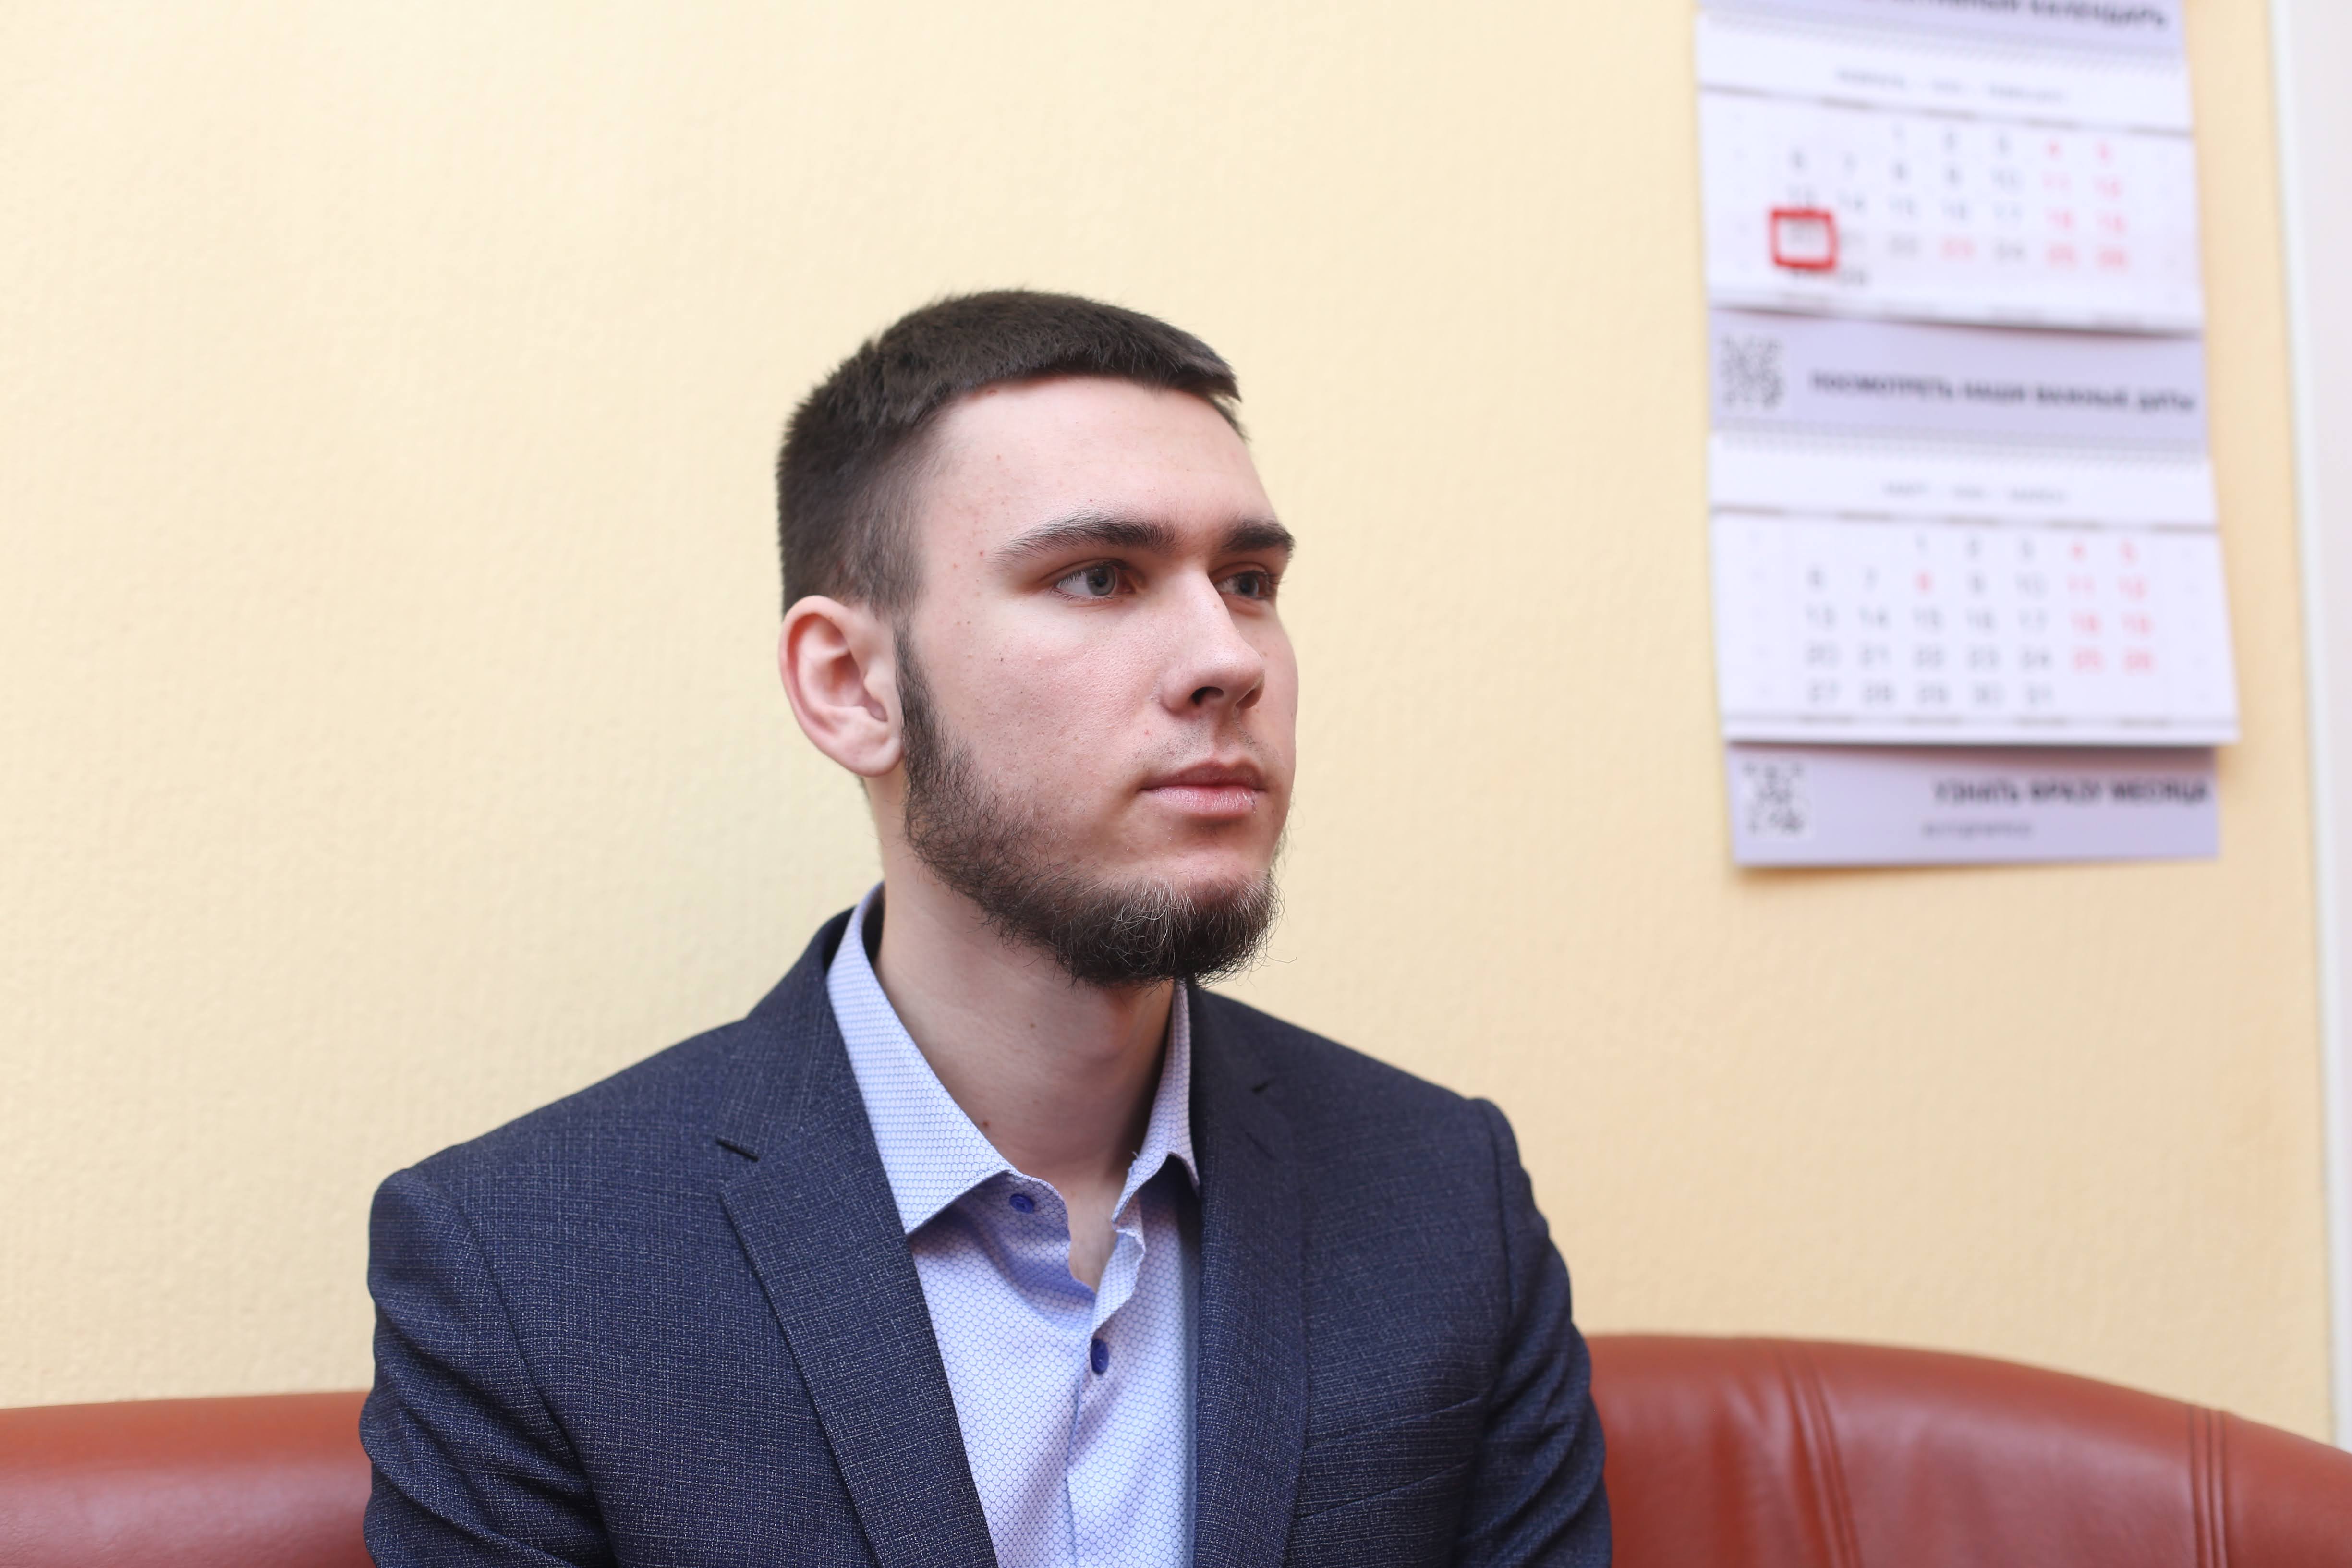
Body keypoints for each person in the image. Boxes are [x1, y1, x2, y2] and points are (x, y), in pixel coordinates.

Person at [360, 291, 1608, 1567]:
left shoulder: (1445, 1196)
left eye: (1248, 582)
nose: (1227, 658)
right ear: (852, 686)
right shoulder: (528, 1265)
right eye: (1097, 576)